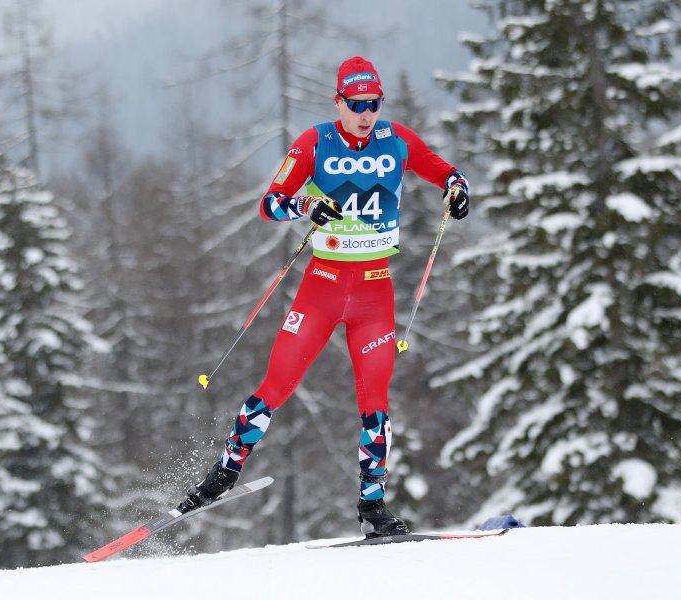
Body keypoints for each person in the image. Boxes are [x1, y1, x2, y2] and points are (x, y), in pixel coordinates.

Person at [177, 56, 469, 538]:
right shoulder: (316, 141)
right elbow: (271, 202)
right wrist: (307, 203)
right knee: (275, 385)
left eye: (372, 104)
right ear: (339, 102)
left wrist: (457, 189)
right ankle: (223, 475)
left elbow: (445, 171)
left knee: (376, 403)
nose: (365, 114)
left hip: (375, 294)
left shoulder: (395, 139)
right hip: (322, 289)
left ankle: (373, 506)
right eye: (355, 104)